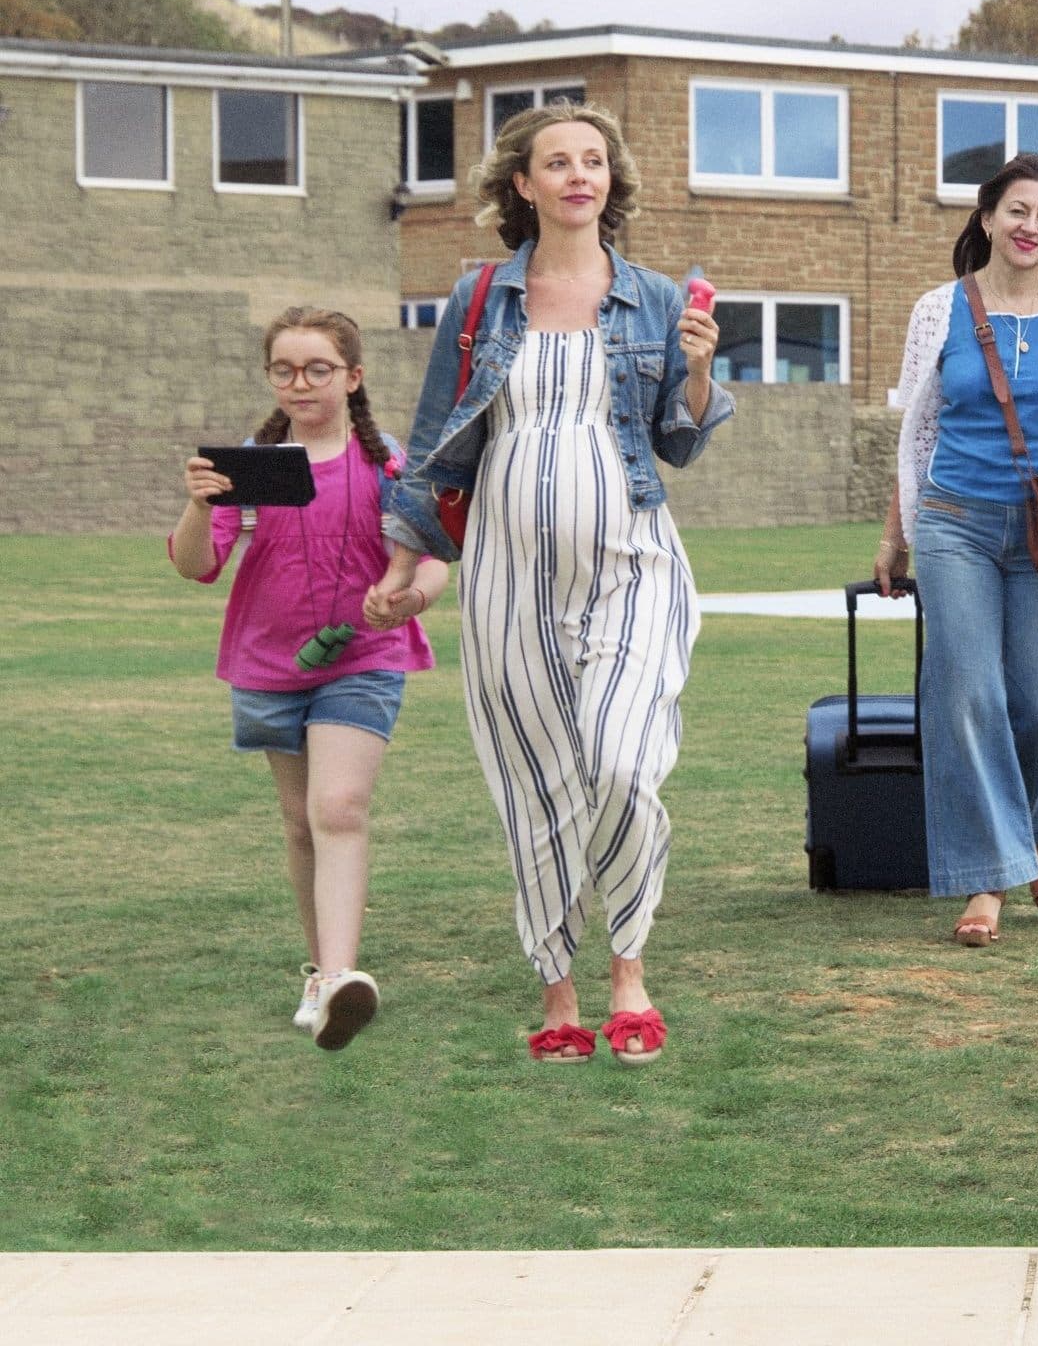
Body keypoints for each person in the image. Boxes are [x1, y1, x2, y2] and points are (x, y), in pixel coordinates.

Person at [371, 102, 731, 1067]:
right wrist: (405, 562)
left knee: (619, 764)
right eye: (557, 163)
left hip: (633, 566)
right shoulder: (481, 298)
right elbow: (442, 436)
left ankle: (631, 968)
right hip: (506, 578)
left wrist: (697, 372)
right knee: (533, 783)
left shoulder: (656, 299)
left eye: (594, 161)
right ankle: (560, 991)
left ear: (611, 181)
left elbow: (681, 440)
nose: (580, 175)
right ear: (521, 185)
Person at [170, 307, 445, 1051]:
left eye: (318, 369)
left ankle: (339, 979)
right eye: (285, 370)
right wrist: (199, 502)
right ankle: (320, 968)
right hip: (268, 664)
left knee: (340, 807)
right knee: (301, 824)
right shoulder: (251, 466)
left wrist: (410, 599)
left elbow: (435, 553)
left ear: (353, 378)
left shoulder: (389, 462)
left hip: (363, 659)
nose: (301, 383)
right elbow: (197, 565)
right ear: (271, 378)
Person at [874, 154, 1038, 945]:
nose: (1030, 227)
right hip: (954, 519)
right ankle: (986, 875)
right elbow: (918, 430)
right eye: (1017, 211)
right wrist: (895, 535)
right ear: (987, 218)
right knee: (964, 691)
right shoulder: (936, 311)